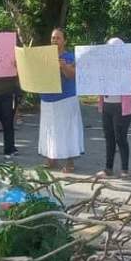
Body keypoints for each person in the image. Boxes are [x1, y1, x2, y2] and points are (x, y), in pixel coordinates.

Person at [38, 28, 83, 172]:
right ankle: (51, 159)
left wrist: (63, 66)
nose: (54, 41)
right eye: (52, 38)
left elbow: (72, 75)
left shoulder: (70, 57)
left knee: (68, 130)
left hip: (66, 99)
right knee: (49, 130)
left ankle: (70, 162)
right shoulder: (43, 57)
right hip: (47, 99)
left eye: (57, 38)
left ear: (64, 41)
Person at [97, 37, 131, 177]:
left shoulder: (129, 64)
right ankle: (108, 169)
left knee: (120, 137)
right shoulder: (102, 65)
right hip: (107, 105)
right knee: (109, 137)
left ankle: (125, 169)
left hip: (122, 107)